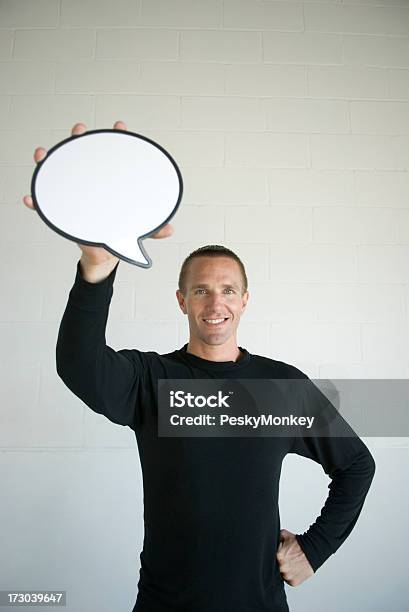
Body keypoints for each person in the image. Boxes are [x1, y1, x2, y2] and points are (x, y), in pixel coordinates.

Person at [23, 121, 376, 612]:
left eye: (228, 289)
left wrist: (315, 549)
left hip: (259, 603)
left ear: (246, 300)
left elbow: (357, 464)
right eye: (201, 290)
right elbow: (78, 364)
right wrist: (97, 267)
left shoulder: (280, 387)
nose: (216, 302)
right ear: (181, 300)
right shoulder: (152, 380)